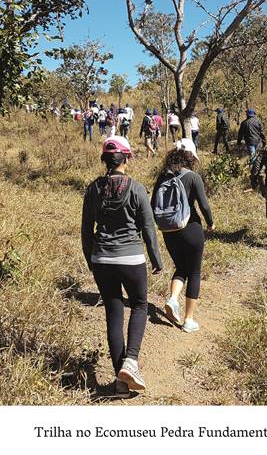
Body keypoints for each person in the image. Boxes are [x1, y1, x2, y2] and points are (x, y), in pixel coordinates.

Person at [81, 136, 164, 398]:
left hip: (102, 259)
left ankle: (121, 382)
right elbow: (148, 228)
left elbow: (86, 231)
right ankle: (131, 361)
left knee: (113, 313)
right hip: (131, 259)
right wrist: (156, 260)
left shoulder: (92, 189)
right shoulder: (137, 189)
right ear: (126, 158)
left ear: (106, 160)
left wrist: (91, 260)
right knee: (139, 305)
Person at [151, 139, 214, 333]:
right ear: (191, 157)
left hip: (169, 230)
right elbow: (203, 205)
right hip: (191, 228)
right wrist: (210, 223)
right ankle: (188, 320)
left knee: (181, 267)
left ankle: (172, 299)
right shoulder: (193, 177)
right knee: (194, 271)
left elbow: (153, 203)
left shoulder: (163, 176)